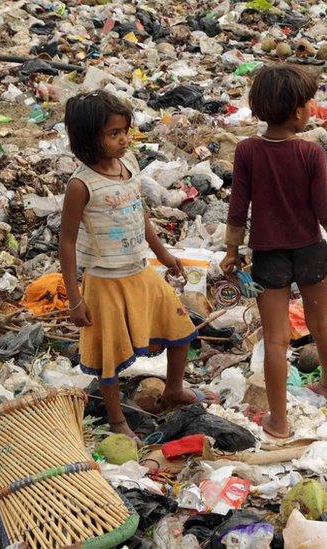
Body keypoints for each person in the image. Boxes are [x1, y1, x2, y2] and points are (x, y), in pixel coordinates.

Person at [59, 90, 214, 444]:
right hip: (105, 280)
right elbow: (66, 242)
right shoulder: (81, 185)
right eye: (114, 134)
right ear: (87, 140)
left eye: (125, 131)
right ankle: (116, 420)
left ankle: (173, 389)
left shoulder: (128, 167)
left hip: (140, 269)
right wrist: (74, 298)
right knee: (108, 354)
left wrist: (163, 255)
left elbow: (139, 215)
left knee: (180, 327)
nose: (124, 139)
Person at [222, 65, 327, 439]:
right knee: (320, 324)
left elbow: (238, 206)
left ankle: (278, 421)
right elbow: (325, 208)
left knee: (277, 339)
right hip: (310, 251)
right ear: (298, 112)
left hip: (269, 256)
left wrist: (231, 250)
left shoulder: (248, 151)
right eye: (308, 103)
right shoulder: (310, 153)